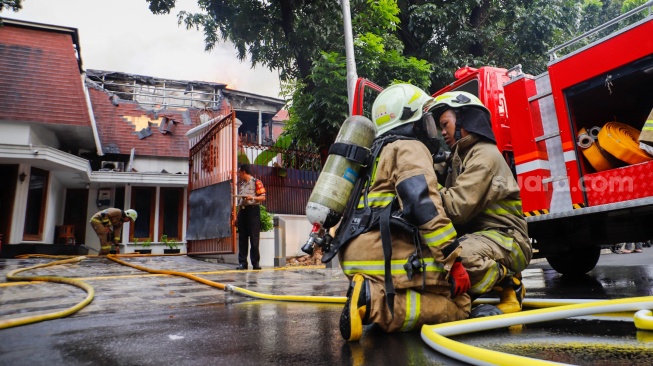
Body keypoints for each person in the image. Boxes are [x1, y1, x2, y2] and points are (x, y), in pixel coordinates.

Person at [336, 84, 488, 343]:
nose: (430, 128)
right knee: (461, 302)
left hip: (356, 256)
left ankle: (371, 295)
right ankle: (374, 302)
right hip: (384, 254)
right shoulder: (408, 147)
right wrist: (454, 261)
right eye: (425, 118)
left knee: (436, 293)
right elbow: (422, 205)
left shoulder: (373, 153)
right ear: (411, 120)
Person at [427, 91, 532, 314]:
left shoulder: (484, 156)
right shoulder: (461, 155)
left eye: (445, 124)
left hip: (508, 239)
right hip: (486, 237)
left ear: (465, 120)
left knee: (459, 257)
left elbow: (456, 208)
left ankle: (509, 283)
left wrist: (422, 182)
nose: (443, 132)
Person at [235, 163, 266, 270]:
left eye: (239, 172)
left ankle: (255, 263)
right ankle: (243, 263)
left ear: (243, 172)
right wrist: (237, 216)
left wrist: (252, 198)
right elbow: (240, 202)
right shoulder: (242, 185)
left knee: (254, 238)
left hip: (253, 211)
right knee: (242, 238)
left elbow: (262, 197)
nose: (238, 175)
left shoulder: (256, 182)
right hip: (242, 212)